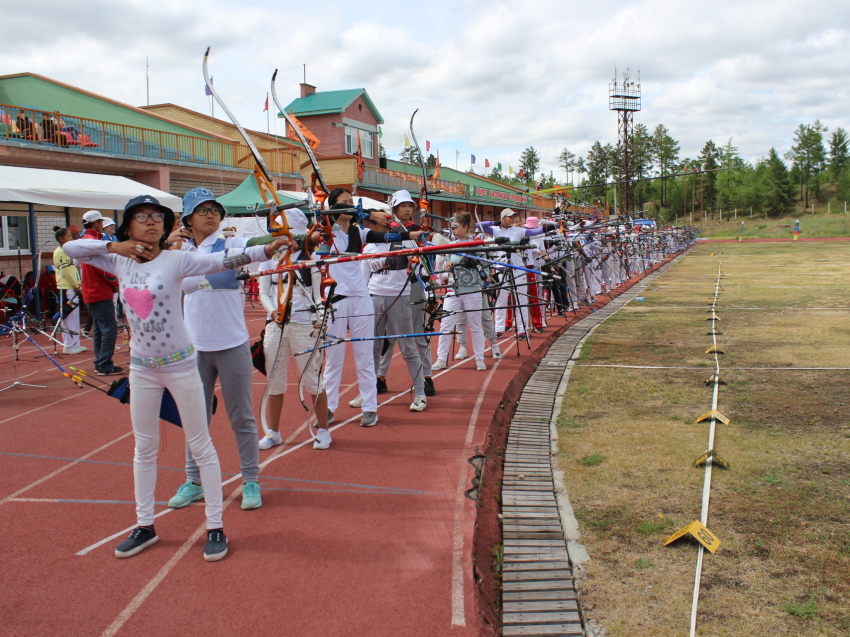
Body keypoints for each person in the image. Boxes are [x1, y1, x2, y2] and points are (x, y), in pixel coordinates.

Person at [62, 194, 289, 561]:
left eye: (157, 216)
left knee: (202, 443)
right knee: (144, 447)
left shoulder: (178, 259)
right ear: (128, 226)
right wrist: (113, 244)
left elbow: (221, 259)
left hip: (182, 365)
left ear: (167, 225)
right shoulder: (119, 259)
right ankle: (145, 525)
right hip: (142, 368)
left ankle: (215, 526)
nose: (150, 221)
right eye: (141, 216)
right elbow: (73, 248)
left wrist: (267, 249)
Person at [165, 187, 269, 510]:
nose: (210, 215)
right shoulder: (177, 252)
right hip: (194, 349)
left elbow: (254, 248)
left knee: (242, 417)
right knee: (195, 419)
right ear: (188, 219)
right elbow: (176, 282)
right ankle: (194, 481)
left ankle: (250, 480)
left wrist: (276, 240)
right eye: (202, 210)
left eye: (214, 209)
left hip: (231, 344)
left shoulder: (231, 243)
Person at [321, 189, 423, 427]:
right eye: (344, 203)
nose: (349, 206)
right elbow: (320, 229)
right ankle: (328, 407)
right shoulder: (327, 232)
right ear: (332, 208)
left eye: (351, 202)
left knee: (365, 354)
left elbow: (387, 238)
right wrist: (367, 213)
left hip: (360, 298)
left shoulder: (360, 232)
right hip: (335, 298)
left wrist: (411, 233)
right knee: (333, 357)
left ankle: (370, 407)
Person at [258, 208, 333, 450]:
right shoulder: (269, 257)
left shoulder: (309, 258)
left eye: (289, 232)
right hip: (276, 325)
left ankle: (323, 429)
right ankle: (273, 432)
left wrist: (320, 318)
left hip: (303, 324)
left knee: (312, 379)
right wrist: (274, 312)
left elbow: (318, 295)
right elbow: (262, 291)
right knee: (274, 381)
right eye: (280, 232)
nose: (285, 238)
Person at [377, 190, 437, 397]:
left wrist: (431, 292)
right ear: (393, 208)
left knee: (418, 332)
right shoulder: (386, 230)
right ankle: (380, 377)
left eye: (410, 206)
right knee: (388, 336)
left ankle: (427, 377)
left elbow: (428, 263)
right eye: (402, 206)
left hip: (414, 285)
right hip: (391, 287)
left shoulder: (418, 231)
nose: (407, 209)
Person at [433, 212, 487, 371]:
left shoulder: (476, 244)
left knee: (475, 326)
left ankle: (479, 358)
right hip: (453, 289)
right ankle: (441, 359)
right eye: (452, 227)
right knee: (446, 326)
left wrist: (486, 277)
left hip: (472, 290)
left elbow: (484, 266)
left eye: (456, 226)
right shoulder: (451, 244)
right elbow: (445, 265)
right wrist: (445, 267)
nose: (453, 229)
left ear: (465, 227)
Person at [80, 210, 122, 375]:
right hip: (99, 290)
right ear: (96, 223)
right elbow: (103, 269)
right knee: (110, 328)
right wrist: (116, 283)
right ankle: (104, 364)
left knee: (99, 329)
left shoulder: (87, 240)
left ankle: (100, 362)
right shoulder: (93, 242)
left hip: (92, 290)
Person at [52, 227, 86, 354]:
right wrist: (76, 284)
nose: (71, 238)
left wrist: (78, 283)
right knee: (69, 316)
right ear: (61, 239)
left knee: (75, 316)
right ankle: (69, 345)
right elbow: (66, 272)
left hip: (72, 286)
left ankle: (75, 343)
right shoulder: (60, 252)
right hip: (66, 287)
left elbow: (73, 269)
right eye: (68, 236)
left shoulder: (67, 251)